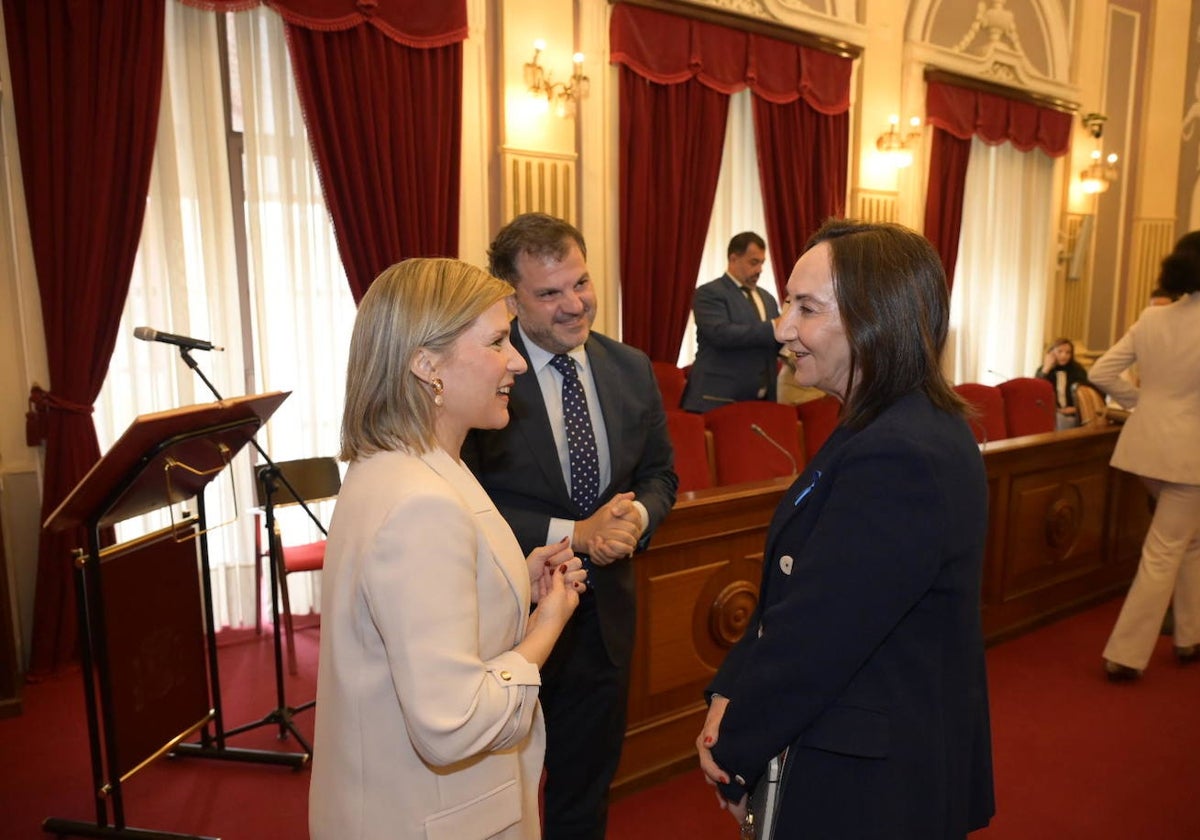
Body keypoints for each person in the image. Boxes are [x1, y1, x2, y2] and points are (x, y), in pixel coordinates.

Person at [696, 219, 995, 838]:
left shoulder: (900, 451)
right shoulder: (883, 421)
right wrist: (731, 688)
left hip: (873, 783)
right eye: (786, 305)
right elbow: (797, 595)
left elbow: (819, 638)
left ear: (873, 318)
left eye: (805, 309)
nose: (782, 329)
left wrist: (736, 754)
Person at [309, 258, 588, 840]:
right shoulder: (421, 502)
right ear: (426, 364)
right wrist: (549, 623)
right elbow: (452, 723)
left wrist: (512, 576)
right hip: (429, 818)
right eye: (496, 342)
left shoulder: (400, 464)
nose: (515, 361)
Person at [463, 213, 678, 840]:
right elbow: (464, 499)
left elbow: (662, 474)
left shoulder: (632, 367)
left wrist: (632, 521)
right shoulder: (483, 375)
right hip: (508, 619)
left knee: (583, 792)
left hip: (603, 621)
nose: (574, 304)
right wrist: (573, 531)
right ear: (511, 296)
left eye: (580, 282)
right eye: (549, 293)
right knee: (499, 796)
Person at [1089, 231, 1200, 682]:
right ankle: (1125, 654)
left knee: (1188, 541)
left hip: (1145, 448)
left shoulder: (1153, 318)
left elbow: (1100, 371)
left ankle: (1190, 635)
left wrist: (1142, 403)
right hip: (1190, 456)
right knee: (1166, 547)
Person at [680, 232, 782, 412]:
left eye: (762, 263)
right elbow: (721, 334)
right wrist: (774, 326)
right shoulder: (709, 293)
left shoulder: (768, 298)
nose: (759, 269)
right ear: (733, 259)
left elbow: (774, 341)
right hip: (716, 400)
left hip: (762, 401)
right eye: (753, 262)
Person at [1035, 337, 1091, 430]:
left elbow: (1088, 393)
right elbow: (1037, 392)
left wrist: (1075, 408)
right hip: (1051, 413)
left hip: (1075, 412)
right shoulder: (1043, 371)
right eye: (1060, 351)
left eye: (1068, 352)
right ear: (1051, 353)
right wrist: (1046, 369)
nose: (1064, 356)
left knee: (1063, 421)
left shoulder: (1078, 370)